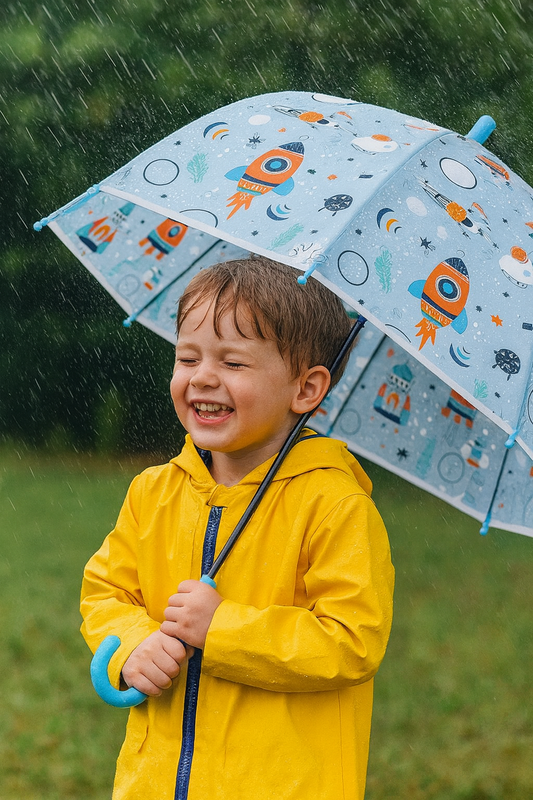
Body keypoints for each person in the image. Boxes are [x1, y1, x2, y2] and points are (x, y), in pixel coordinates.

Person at [81, 257, 394, 800]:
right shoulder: (153, 491)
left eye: (233, 362)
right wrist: (133, 643)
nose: (203, 376)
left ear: (306, 389)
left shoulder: (334, 505)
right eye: (187, 357)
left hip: (280, 783)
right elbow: (106, 592)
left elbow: (351, 642)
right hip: (154, 781)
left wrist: (223, 629)